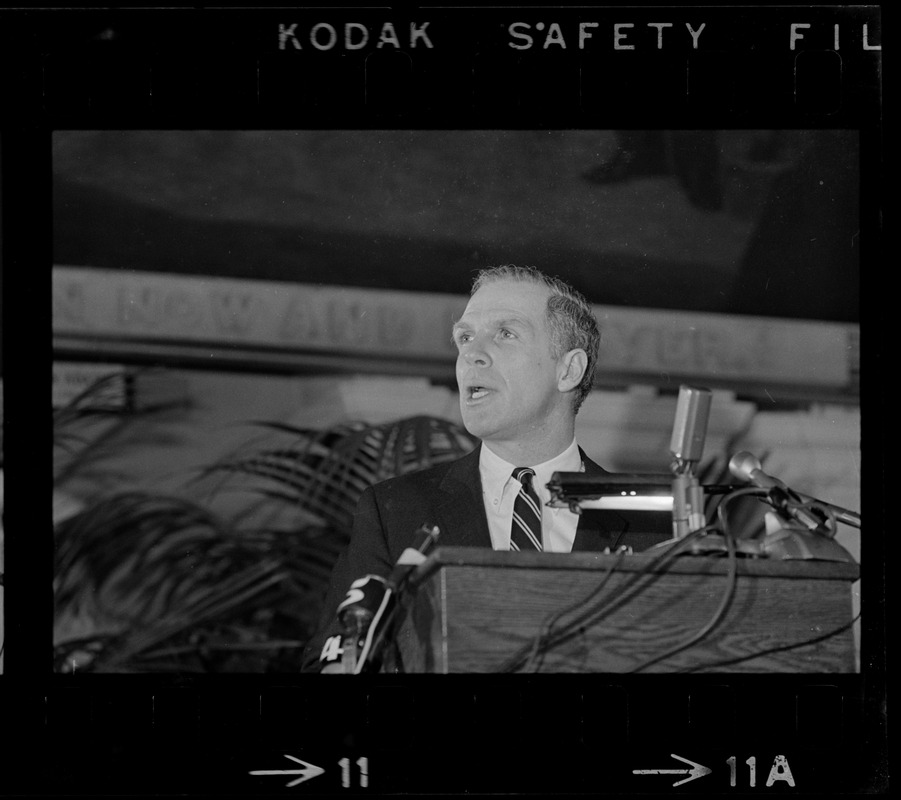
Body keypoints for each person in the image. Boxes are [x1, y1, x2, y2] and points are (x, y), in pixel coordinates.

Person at [300, 265, 670, 672]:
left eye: (505, 333)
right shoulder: (396, 510)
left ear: (568, 370)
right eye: (465, 337)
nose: (471, 354)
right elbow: (329, 661)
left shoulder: (654, 521)